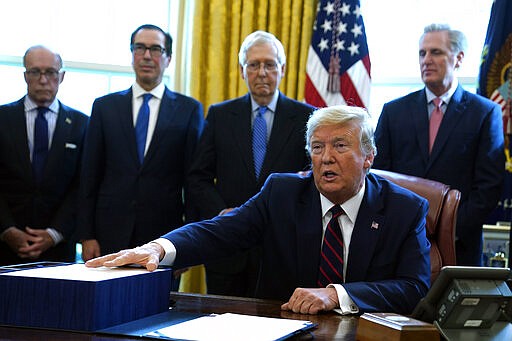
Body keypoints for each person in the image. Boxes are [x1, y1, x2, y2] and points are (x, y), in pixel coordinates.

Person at [86, 105, 431, 316]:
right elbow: (221, 231)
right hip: (285, 329)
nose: (326, 157)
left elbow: (414, 287)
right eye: (317, 147)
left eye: (340, 146)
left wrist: (336, 294)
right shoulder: (282, 193)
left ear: (369, 156)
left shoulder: (404, 208)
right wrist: (159, 248)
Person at [187, 30, 315, 297]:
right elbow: (198, 176)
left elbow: (313, 179)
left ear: (282, 68)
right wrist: (221, 212)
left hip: (282, 247)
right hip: (228, 247)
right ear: (242, 71)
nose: (262, 72)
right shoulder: (220, 114)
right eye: (253, 65)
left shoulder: (306, 117)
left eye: (269, 64)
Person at [373, 23, 505, 266]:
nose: (426, 60)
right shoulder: (393, 112)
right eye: (422, 53)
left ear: (458, 59)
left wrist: (448, 230)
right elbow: (379, 177)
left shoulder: (485, 113)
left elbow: (488, 187)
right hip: (398, 244)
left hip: (459, 247)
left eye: (436, 52)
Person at [77, 24, 204, 266]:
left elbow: (194, 182)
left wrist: (187, 244)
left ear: (168, 58)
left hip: (165, 239)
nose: (147, 55)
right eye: (140, 48)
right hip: (108, 235)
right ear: (132, 54)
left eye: (156, 49)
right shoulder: (104, 107)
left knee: (159, 304)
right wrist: (86, 235)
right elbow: (89, 175)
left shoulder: (189, 110)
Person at [0, 45, 88, 265]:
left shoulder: (82, 124)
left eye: (50, 72)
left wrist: (54, 233)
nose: (43, 79)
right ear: (25, 76)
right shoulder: (2, 118)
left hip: (58, 249)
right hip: (4, 245)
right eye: (35, 72)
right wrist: (7, 229)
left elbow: (83, 185)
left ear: (62, 76)